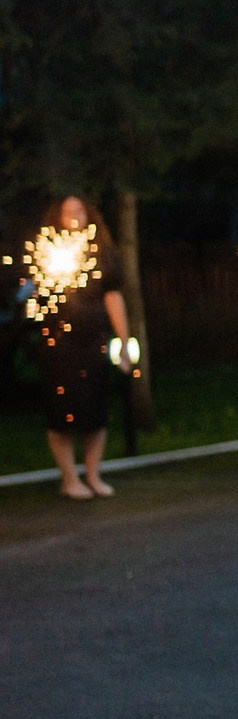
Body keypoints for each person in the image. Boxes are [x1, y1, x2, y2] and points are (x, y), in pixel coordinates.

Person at [25, 196, 131, 501]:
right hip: (58, 347)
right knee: (61, 411)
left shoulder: (102, 255)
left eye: (79, 210)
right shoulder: (47, 252)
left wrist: (123, 340)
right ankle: (70, 478)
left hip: (92, 343)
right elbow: (34, 298)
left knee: (95, 409)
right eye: (68, 211)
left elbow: (113, 297)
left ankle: (93, 475)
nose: (75, 216)